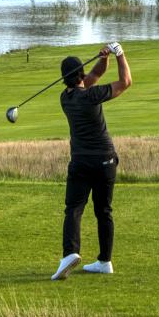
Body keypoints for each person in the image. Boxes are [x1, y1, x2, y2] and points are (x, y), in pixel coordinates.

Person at [52, 42, 132, 280]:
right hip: (105, 160)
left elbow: (95, 74)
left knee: (74, 209)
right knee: (104, 211)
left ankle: (70, 253)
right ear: (81, 74)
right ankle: (104, 260)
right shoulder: (92, 96)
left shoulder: (65, 98)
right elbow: (125, 82)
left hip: (80, 162)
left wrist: (103, 59)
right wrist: (119, 54)